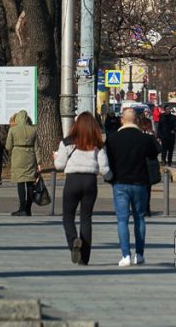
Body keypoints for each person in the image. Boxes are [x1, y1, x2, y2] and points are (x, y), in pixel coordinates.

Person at [54, 112, 111, 265]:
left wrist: (55, 159)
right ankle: (84, 258)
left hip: (72, 181)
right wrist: (111, 178)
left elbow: (59, 165)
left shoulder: (67, 142)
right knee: (86, 218)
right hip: (90, 181)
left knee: (68, 216)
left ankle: (73, 241)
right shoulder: (97, 143)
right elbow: (104, 168)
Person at [105, 107, 159, 266]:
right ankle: (140, 254)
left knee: (122, 219)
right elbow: (154, 153)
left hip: (120, 183)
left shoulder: (113, 138)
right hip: (140, 182)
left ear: (122, 120)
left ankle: (125, 255)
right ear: (136, 120)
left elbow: (107, 159)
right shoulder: (144, 138)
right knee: (139, 218)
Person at [5, 109, 38, 216]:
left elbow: (8, 146)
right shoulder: (33, 130)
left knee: (20, 183)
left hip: (18, 157)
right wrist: (40, 161)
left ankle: (22, 207)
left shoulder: (13, 130)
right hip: (30, 156)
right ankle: (28, 208)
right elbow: (37, 147)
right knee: (29, 182)